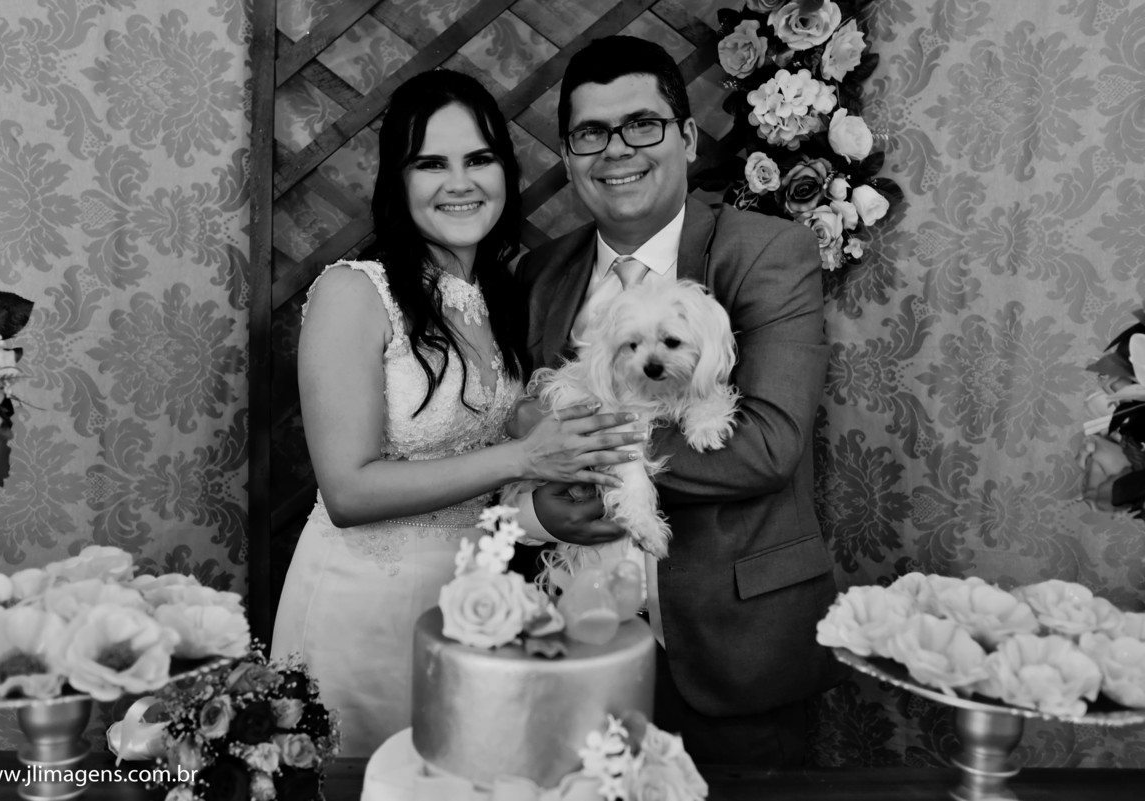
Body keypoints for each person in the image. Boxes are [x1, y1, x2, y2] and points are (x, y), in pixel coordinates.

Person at [270, 69, 644, 758]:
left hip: (477, 607)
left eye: (479, 159)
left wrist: (544, 511)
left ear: (505, 171)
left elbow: (483, 484)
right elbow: (347, 491)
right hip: (365, 608)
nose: (460, 182)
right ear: (397, 180)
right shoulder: (354, 292)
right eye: (431, 164)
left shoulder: (506, 296)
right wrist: (524, 456)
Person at [509, 36, 841, 767]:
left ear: (687, 137)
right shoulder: (542, 273)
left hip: (734, 648)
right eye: (591, 133)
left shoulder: (767, 251)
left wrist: (591, 447)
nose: (616, 150)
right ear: (567, 155)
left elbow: (766, 445)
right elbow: (528, 435)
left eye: (642, 124)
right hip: (578, 645)